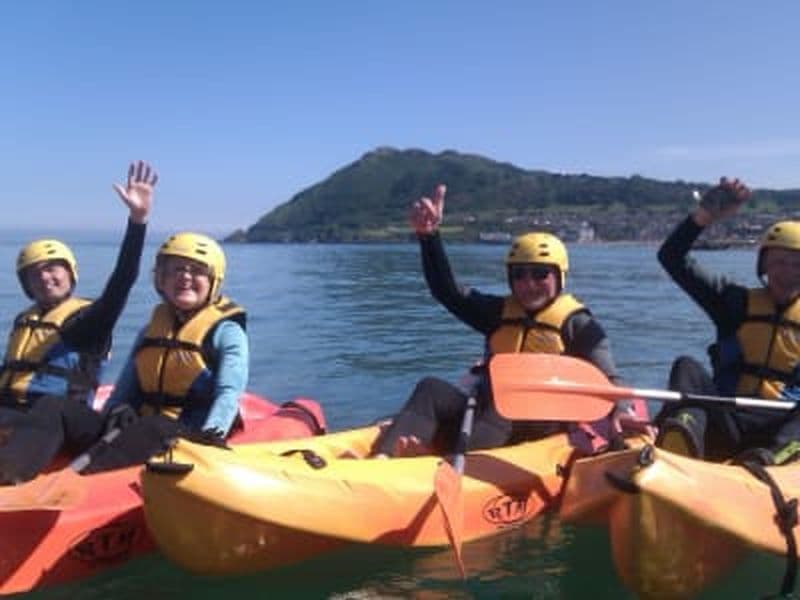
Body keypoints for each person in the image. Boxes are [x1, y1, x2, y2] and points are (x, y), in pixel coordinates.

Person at [372, 184, 628, 457]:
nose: (528, 284)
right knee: (431, 388)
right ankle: (384, 460)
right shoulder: (497, 313)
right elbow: (447, 292)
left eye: (540, 274)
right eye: (519, 274)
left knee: (505, 409)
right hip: (485, 409)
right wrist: (429, 236)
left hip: (540, 423)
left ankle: (445, 463)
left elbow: (609, 379)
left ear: (559, 277)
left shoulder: (579, 325)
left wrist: (621, 412)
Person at [0, 161, 157, 484]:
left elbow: (122, 281)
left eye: (53, 268)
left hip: (70, 422)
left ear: (70, 273)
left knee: (52, 407)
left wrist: (137, 221)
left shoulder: (90, 321)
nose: (45, 277)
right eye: (35, 272)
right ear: (26, 284)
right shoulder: (24, 320)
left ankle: (5, 479)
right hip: (15, 415)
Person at [655, 177, 800, 464]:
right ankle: (682, 440)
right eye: (779, 262)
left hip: (782, 431)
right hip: (727, 416)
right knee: (686, 366)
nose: (788, 272)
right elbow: (671, 257)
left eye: (798, 264)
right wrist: (704, 216)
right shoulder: (734, 303)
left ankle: (770, 462)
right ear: (764, 266)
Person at [79, 232, 249, 474]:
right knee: (59, 409)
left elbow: (228, 394)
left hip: (193, 433)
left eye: (197, 271)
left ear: (214, 280)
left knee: (154, 425)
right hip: (144, 430)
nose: (185, 277)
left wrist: (210, 440)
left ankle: (82, 480)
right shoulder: (150, 330)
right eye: (176, 269)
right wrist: (106, 421)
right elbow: (123, 392)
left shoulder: (227, 332)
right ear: (161, 278)